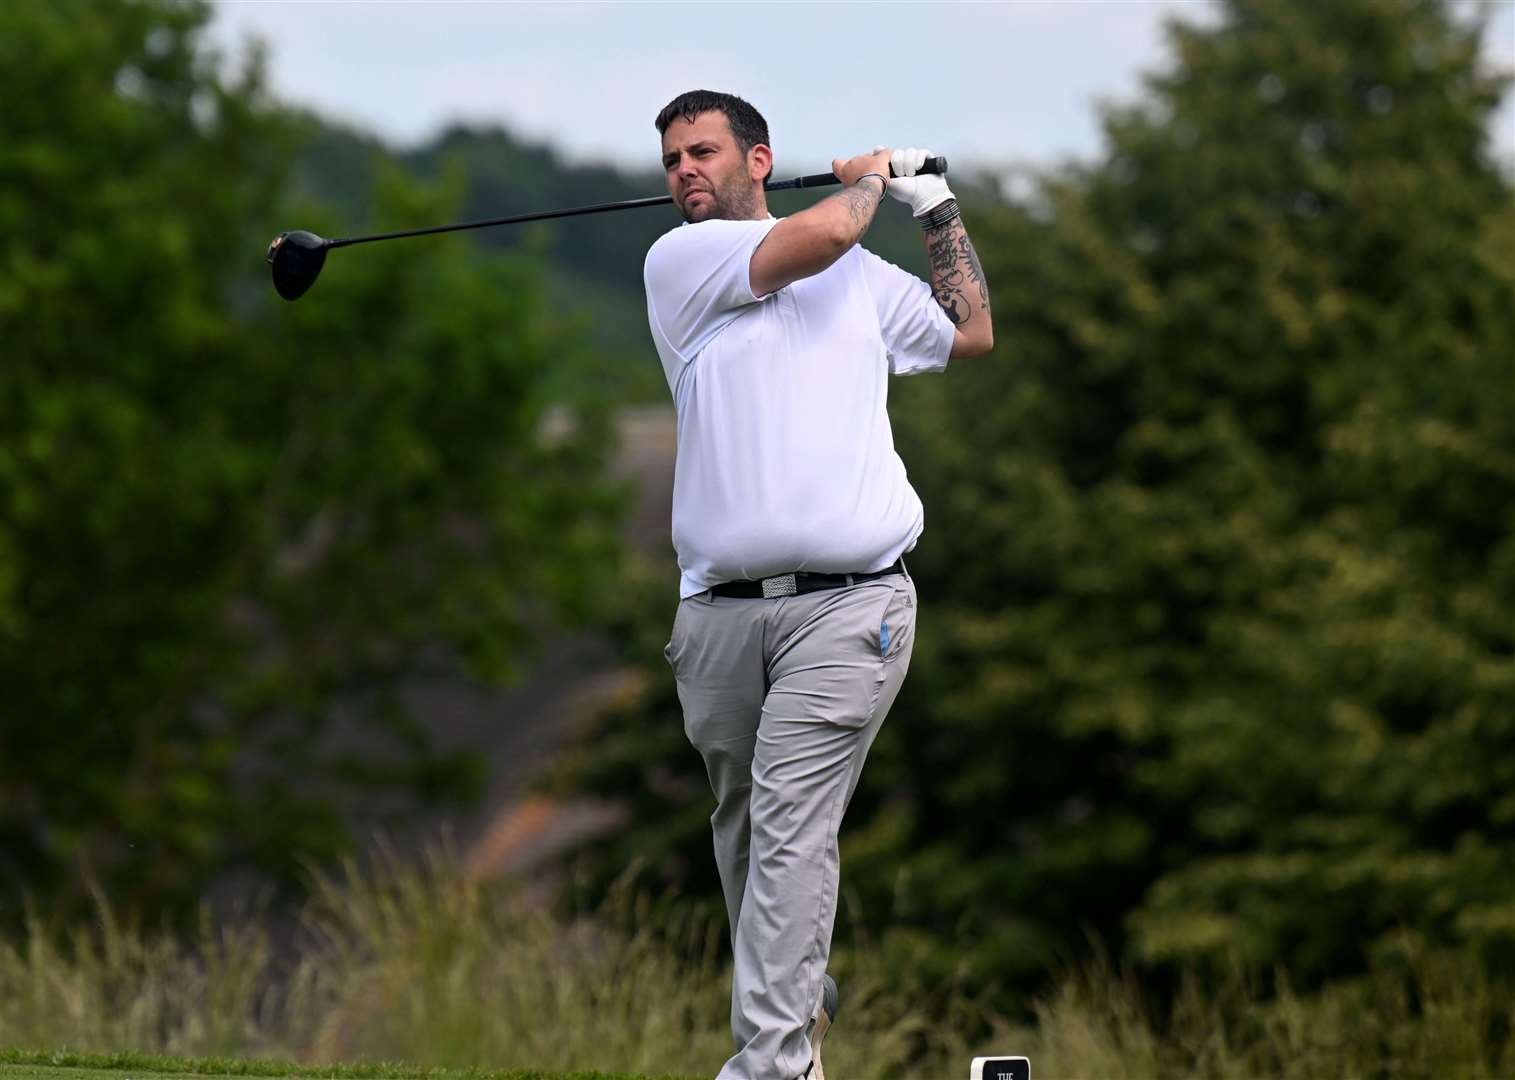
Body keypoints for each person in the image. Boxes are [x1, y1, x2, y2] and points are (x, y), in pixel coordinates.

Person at [642, 89, 993, 1080]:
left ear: (760, 159)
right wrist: (874, 179)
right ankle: (798, 1002)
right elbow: (830, 231)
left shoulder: (859, 278)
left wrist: (935, 210)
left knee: (791, 828)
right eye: (671, 159)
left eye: (703, 152)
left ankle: (773, 1065)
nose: (684, 172)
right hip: (716, 615)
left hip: (852, 608)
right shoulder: (683, 262)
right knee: (746, 845)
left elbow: (968, 334)